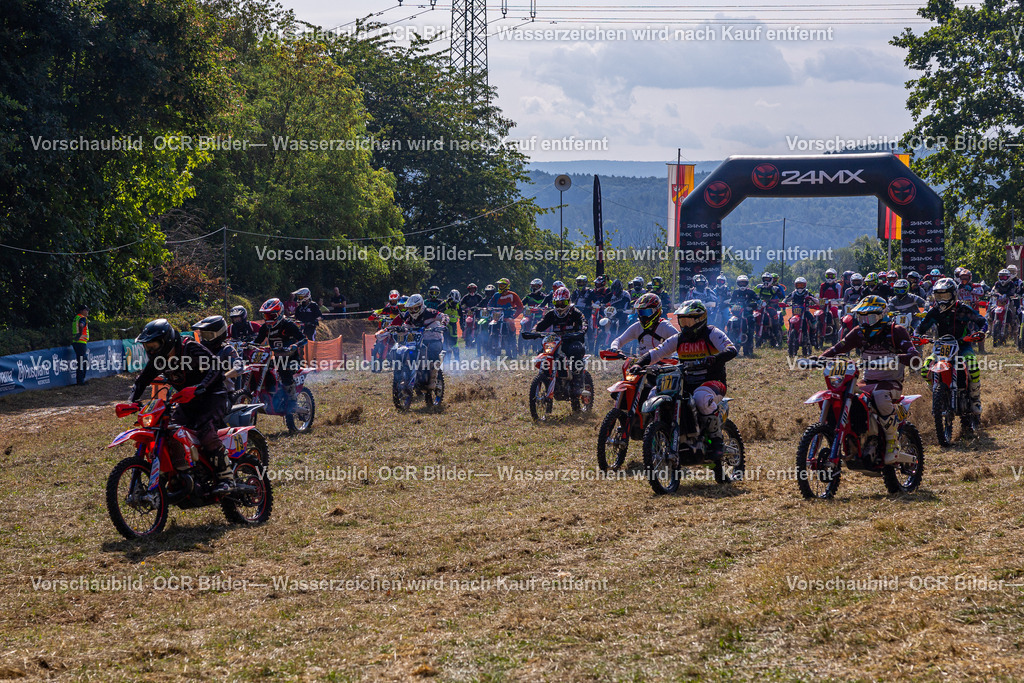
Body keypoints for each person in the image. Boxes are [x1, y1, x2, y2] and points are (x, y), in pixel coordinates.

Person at [130, 318, 235, 493]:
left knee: (204, 430)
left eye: (153, 346)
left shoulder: (190, 348)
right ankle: (180, 472)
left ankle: (226, 477)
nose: (150, 351)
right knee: (169, 431)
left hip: (213, 396)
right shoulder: (160, 360)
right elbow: (141, 381)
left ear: (166, 341)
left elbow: (216, 367)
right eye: (147, 348)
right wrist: (131, 402)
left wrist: (200, 388)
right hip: (186, 401)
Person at [819, 296, 921, 464]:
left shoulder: (896, 331)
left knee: (880, 395)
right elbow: (838, 348)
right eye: (861, 317)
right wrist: (818, 359)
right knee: (844, 395)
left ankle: (891, 443)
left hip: (891, 383)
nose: (865, 322)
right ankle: (849, 439)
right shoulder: (859, 332)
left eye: (870, 317)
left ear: (882, 315)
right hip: (868, 381)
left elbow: (915, 357)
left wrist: (896, 358)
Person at [631, 300, 738, 460]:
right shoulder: (679, 338)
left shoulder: (712, 333)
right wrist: (639, 364)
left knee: (701, 398)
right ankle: (662, 431)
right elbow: (657, 352)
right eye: (683, 321)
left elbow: (731, 349)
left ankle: (716, 441)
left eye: (689, 321)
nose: (686, 326)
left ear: (701, 319)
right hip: (686, 382)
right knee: (654, 392)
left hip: (712, 382)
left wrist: (714, 359)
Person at [918, 278, 987, 420]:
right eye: (939, 296)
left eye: (945, 296)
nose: (942, 299)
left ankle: (975, 399)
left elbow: (982, 320)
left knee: (973, 366)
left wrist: (981, 332)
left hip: (963, 345)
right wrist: (916, 336)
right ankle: (938, 392)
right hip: (941, 347)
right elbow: (921, 327)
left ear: (953, 294)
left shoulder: (963, 309)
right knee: (925, 369)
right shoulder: (935, 311)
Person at [253, 298, 308, 430]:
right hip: (275, 358)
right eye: (266, 315)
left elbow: (303, 339)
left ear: (278, 313)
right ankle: (269, 393)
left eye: (270, 315)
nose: (268, 318)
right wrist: (248, 345)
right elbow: (257, 341)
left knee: (284, 371)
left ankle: (293, 401)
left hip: (292, 359)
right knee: (259, 369)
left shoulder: (288, 325)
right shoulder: (265, 327)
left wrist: (295, 345)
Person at [533, 287, 588, 393]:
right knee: (542, 352)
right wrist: (533, 331)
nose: (560, 306)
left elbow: (584, 322)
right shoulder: (552, 314)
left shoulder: (575, 312)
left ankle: (577, 382)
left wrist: (582, 330)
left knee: (575, 351)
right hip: (556, 341)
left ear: (569, 301)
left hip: (572, 340)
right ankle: (546, 376)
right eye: (557, 303)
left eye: (563, 303)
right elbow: (541, 325)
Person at [389, 293, 449, 390]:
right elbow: (406, 327)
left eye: (415, 308)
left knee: (432, 353)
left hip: (433, 338)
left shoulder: (430, 312)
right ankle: (407, 374)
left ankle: (433, 380)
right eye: (410, 309)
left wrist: (443, 325)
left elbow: (444, 316)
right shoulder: (410, 317)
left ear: (421, 306)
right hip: (416, 339)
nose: (412, 311)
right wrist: (400, 329)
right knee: (406, 349)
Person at [191, 315, 242, 412]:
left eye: (208, 335)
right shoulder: (198, 350)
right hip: (199, 391)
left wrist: (223, 376)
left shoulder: (227, 350)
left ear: (219, 334)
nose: (204, 339)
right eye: (203, 335)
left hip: (222, 394)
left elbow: (239, 367)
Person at [610, 292, 676, 356]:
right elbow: (619, 340)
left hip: (664, 365)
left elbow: (680, 340)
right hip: (642, 365)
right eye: (641, 312)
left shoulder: (665, 326)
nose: (643, 316)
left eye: (647, 312)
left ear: (657, 310)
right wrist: (614, 348)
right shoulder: (637, 327)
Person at [753, 272, 784, 338]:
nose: (766, 281)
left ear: (771, 280)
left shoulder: (774, 288)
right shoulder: (759, 287)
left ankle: (777, 336)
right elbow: (753, 294)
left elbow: (781, 297)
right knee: (754, 317)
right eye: (765, 279)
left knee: (774, 321)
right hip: (760, 306)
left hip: (771, 306)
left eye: (768, 279)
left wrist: (776, 301)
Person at [72, 304, 89, 386]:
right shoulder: (82, 318)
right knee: (83, 362)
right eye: (86, 310)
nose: (87, 311)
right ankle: (80, 381)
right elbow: (81, 325)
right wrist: (80, 334)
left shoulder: (76, 318)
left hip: (76, 342)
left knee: (81, 361)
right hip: (81, 342)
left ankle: (80, 380)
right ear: (82, 311)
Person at [441, 290, 461, 361]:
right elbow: (438, 308)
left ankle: (457, 359)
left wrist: (462, 324)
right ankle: (446, 360)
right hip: (445, 324)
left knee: (454, 342)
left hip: (453, 325)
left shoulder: (458, 305)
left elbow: (461, 314)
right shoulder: (445, 303)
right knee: (445, 341)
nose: (454, 304)